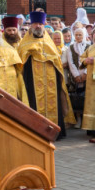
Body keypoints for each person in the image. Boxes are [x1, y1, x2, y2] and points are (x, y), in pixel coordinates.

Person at [18, 11, 75, 139]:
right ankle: (36, 132)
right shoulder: (24, 43)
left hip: (51, 82)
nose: (38, 26)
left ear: (44, 24)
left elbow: (57, 61)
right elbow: (21, 62)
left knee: (53, 103)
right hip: (32, 81)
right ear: (31, 25)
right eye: (35, 24)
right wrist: (29, 54)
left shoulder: (50, 43)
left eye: (40, 23)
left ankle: (54, 131)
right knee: (34, 103)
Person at [63, 27, 89, 127]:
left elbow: (90, 61)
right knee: (76, 97)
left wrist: (85, 73)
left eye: (80, 35)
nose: (78, 36)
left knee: (86, 96)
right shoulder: (71, 47)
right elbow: (71, 62)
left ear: (84, 35)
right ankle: (78, 118)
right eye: (76, 35)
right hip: (76, 76)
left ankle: (85, 119)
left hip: (86, 75)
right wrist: (76, 75)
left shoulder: (89, 46)